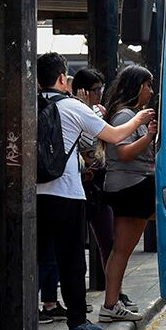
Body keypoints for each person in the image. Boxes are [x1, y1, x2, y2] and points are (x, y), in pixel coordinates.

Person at [36, 52, 155, 330]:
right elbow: (114, 137)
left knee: (37, 258)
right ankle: (77, 322)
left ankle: (31, 314)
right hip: (66, 192)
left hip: (34, 194)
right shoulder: (73, 107)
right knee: (72, 259)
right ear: (63, 78)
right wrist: (139, 120)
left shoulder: (29, 105)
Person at [100, 66, 158, 322]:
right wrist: (150, 136)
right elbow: (123, 152)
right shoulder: (125, 116)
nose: (151, 91)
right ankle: (111, 303)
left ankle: (113, 300)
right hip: (132, 186)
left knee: (120, 249)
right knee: (122, 250)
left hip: (133, 185)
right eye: (148, 85)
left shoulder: (129, 115)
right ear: (137, 86)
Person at [72, 68, 114, 273]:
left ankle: (115, 289)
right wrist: (84, 109)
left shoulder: (101, 111)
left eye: (101, 89)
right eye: (96, 90)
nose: (100, 94)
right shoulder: (72, 110)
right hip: (77, 182)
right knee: (75, 244)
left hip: (98, 181)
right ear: (83, 91)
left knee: (108, 240)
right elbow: (85, 142)